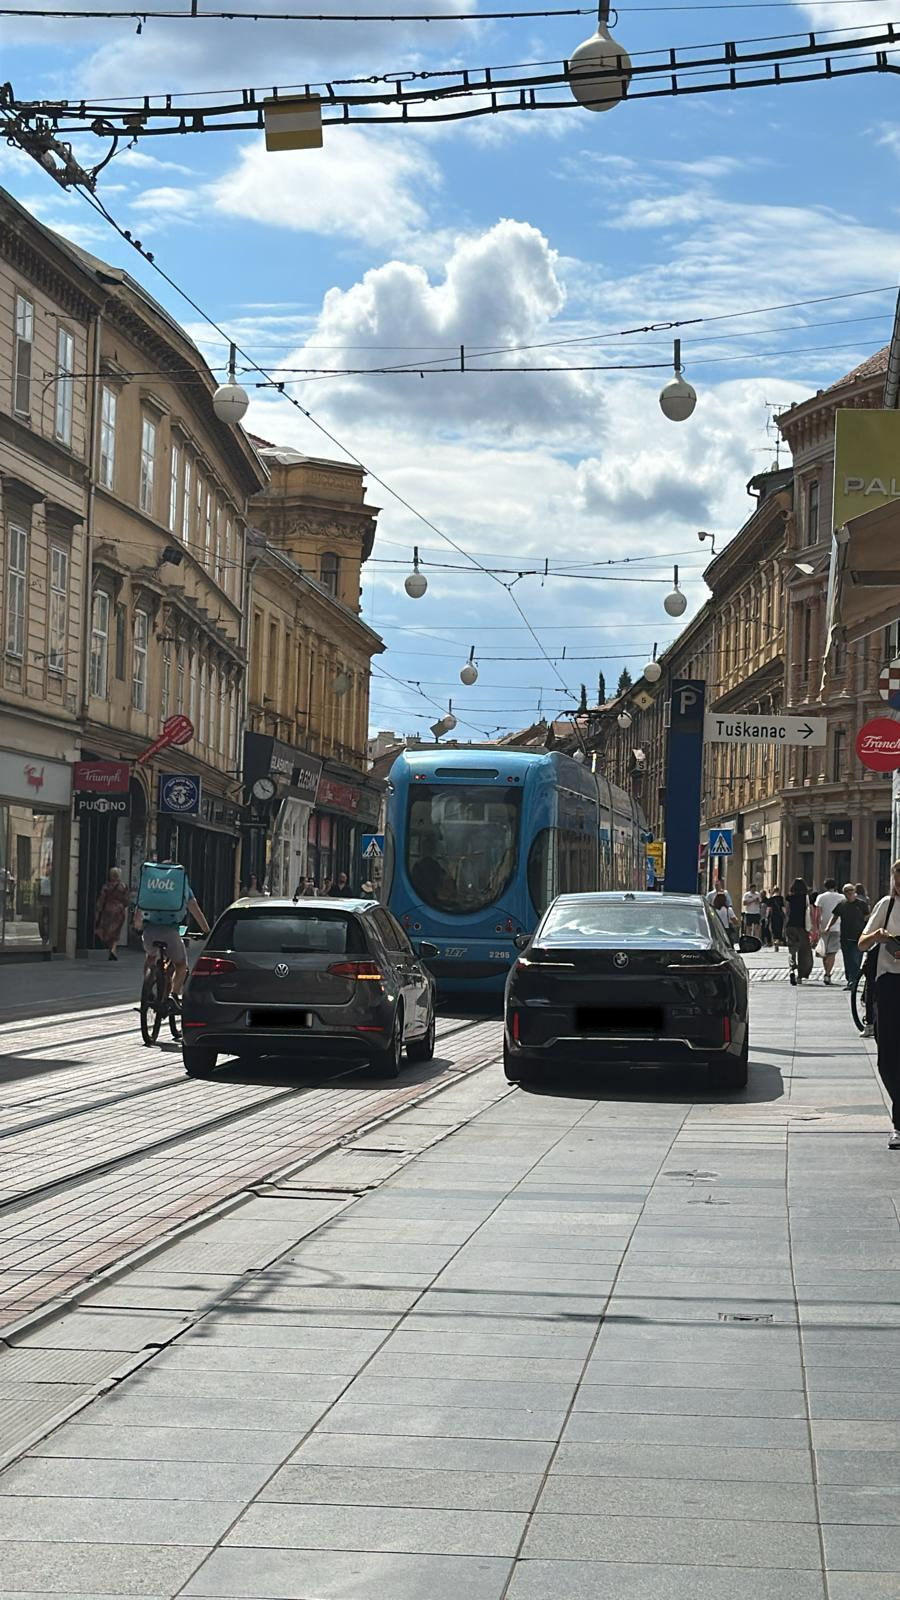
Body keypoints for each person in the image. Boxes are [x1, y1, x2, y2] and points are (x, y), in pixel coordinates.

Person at [858, 859, 900, 1149]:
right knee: (887, 1056)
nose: (899, 885)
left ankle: (899, 1124)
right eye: (897, 879)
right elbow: (861, 943)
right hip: (889, 985)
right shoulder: (886, 905)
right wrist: (879, 936)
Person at [135, 860, 210, 1005]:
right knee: (181, 965)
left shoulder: (150, 884)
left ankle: (148, 986)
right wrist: (206, 930)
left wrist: (137, 925)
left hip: (149, 931)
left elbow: (140, 906)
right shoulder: (181, 884)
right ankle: (174, 995)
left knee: (151, 956)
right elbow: (194, 909)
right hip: (170, 932)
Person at [824, 883, 868, 991]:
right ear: (844, 893)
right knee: (847, 960)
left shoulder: (861, 904)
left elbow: (867, 917)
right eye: (847, 892)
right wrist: (828, 927)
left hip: (858, 937)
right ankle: (850, 980)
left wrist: (867, 930)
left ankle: (853, 981)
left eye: (851, 891)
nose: (850, 893)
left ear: (854, 892)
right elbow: (835, 916)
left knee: (855, 960)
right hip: (845, 937)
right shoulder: (842, 904)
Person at [813, 877, 844, 986]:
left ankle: (826, 972)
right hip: (837, 927)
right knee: (832, 952)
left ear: (825, 886)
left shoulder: (820, 897)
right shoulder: (841, 897)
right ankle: (827, 973)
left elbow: (817, 914)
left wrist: (816, 927)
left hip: (823, 927)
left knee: (824, 951)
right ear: (835, 886)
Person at [94, 866, 130, 961]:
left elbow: (101, 899)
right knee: (115, 931)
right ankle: (113, 949)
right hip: (119, 911)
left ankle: (112, 950)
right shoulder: (123, 886)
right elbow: (126, 901)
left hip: (108, 910)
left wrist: (98, 910)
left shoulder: (106, 886)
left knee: (106, 930)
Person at [786, 877, 814, 985]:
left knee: (792, 950)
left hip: (791, 926)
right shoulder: (807, 898)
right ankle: (800, 976)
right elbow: (810, 912)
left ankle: (792, 969)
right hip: (802, 927)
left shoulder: (790, 898)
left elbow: (787, 912)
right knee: (804, 952)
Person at [767, 885, 786, 952]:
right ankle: (777, 941)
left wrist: (767, 916)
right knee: (779, 929)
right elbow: (783, 908)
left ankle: (775, 942)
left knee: (773, 928)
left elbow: (769, 909)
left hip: (773, 916)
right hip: (780, 916)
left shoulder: (771, 899)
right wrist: (785, 915)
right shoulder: (781, 898)